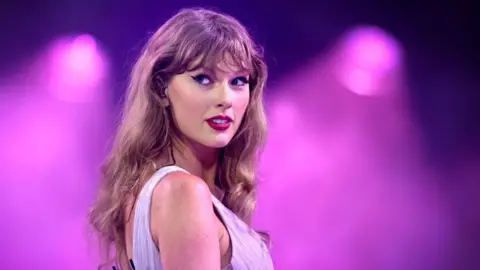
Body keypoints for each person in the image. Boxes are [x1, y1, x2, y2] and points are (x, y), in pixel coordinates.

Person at [88, 7, 274, 270]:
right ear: (161, 89)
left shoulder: (152, 192)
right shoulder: (183, 193)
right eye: (203, 79)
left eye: (238, 81)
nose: (225, 99)